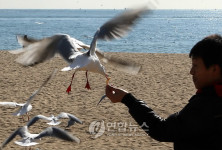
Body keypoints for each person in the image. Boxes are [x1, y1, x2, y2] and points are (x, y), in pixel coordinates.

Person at [105, 34, 222, 150]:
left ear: (215, 69)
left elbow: (160, 130)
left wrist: (127, 100)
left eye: (196, 66)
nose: (191, 72)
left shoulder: (205, 106)